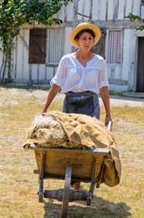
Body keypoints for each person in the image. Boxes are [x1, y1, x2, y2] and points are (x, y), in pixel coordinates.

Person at [42, 22, 112, 190]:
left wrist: (108, 113)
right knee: (71, 139)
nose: (87, 42)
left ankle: (83, 176)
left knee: (88, 139)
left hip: (90, 102)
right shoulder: (67, 61)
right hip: (71, 102)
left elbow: (103, 87)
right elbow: (56, 85)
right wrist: (45, 109)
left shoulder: (99, 62)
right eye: (83, 39)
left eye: (90, 38)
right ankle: (74, 179)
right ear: (77, 41)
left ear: (93, 41)